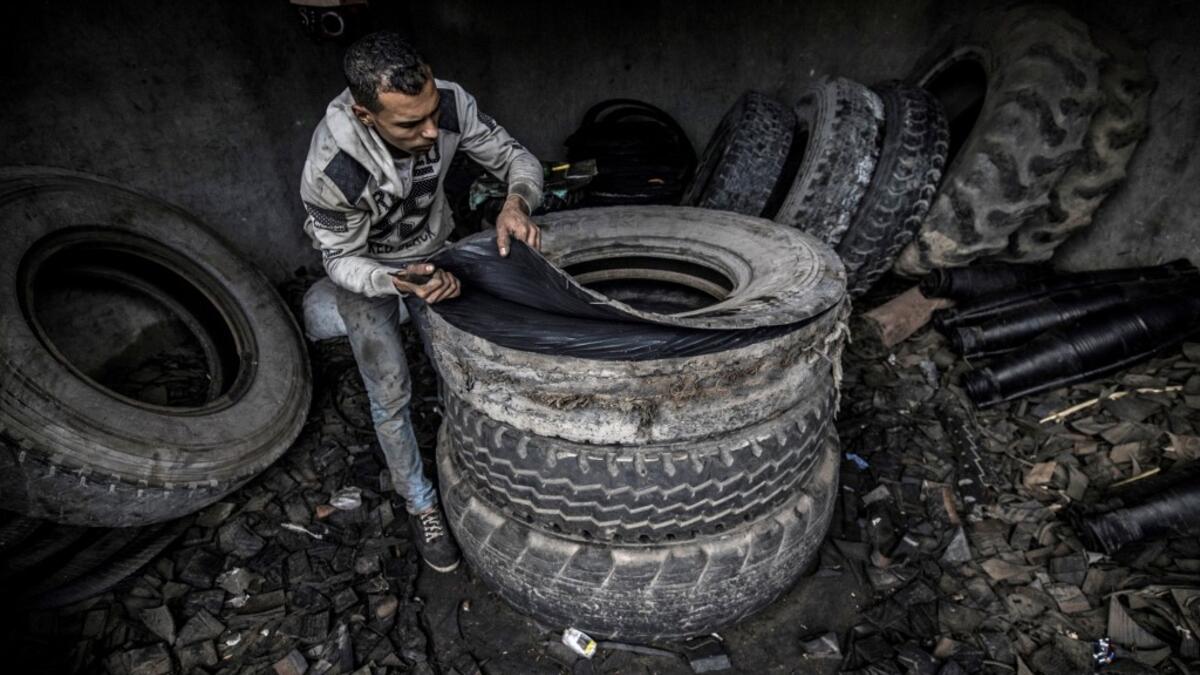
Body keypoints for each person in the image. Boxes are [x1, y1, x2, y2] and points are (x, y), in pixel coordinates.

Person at [299, 31, 543, 572]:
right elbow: (339, 261)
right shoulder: (333, 169)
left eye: (431, 113)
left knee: (456, 365)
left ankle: (473, 464)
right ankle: (421, 501)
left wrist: (516, 203)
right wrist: (398, 282)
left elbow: (517, 160)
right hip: (370, 274)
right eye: (410, 124)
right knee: (390, 393)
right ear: (365, 115)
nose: (432, 131)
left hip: (437, 249)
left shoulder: (448, 104)